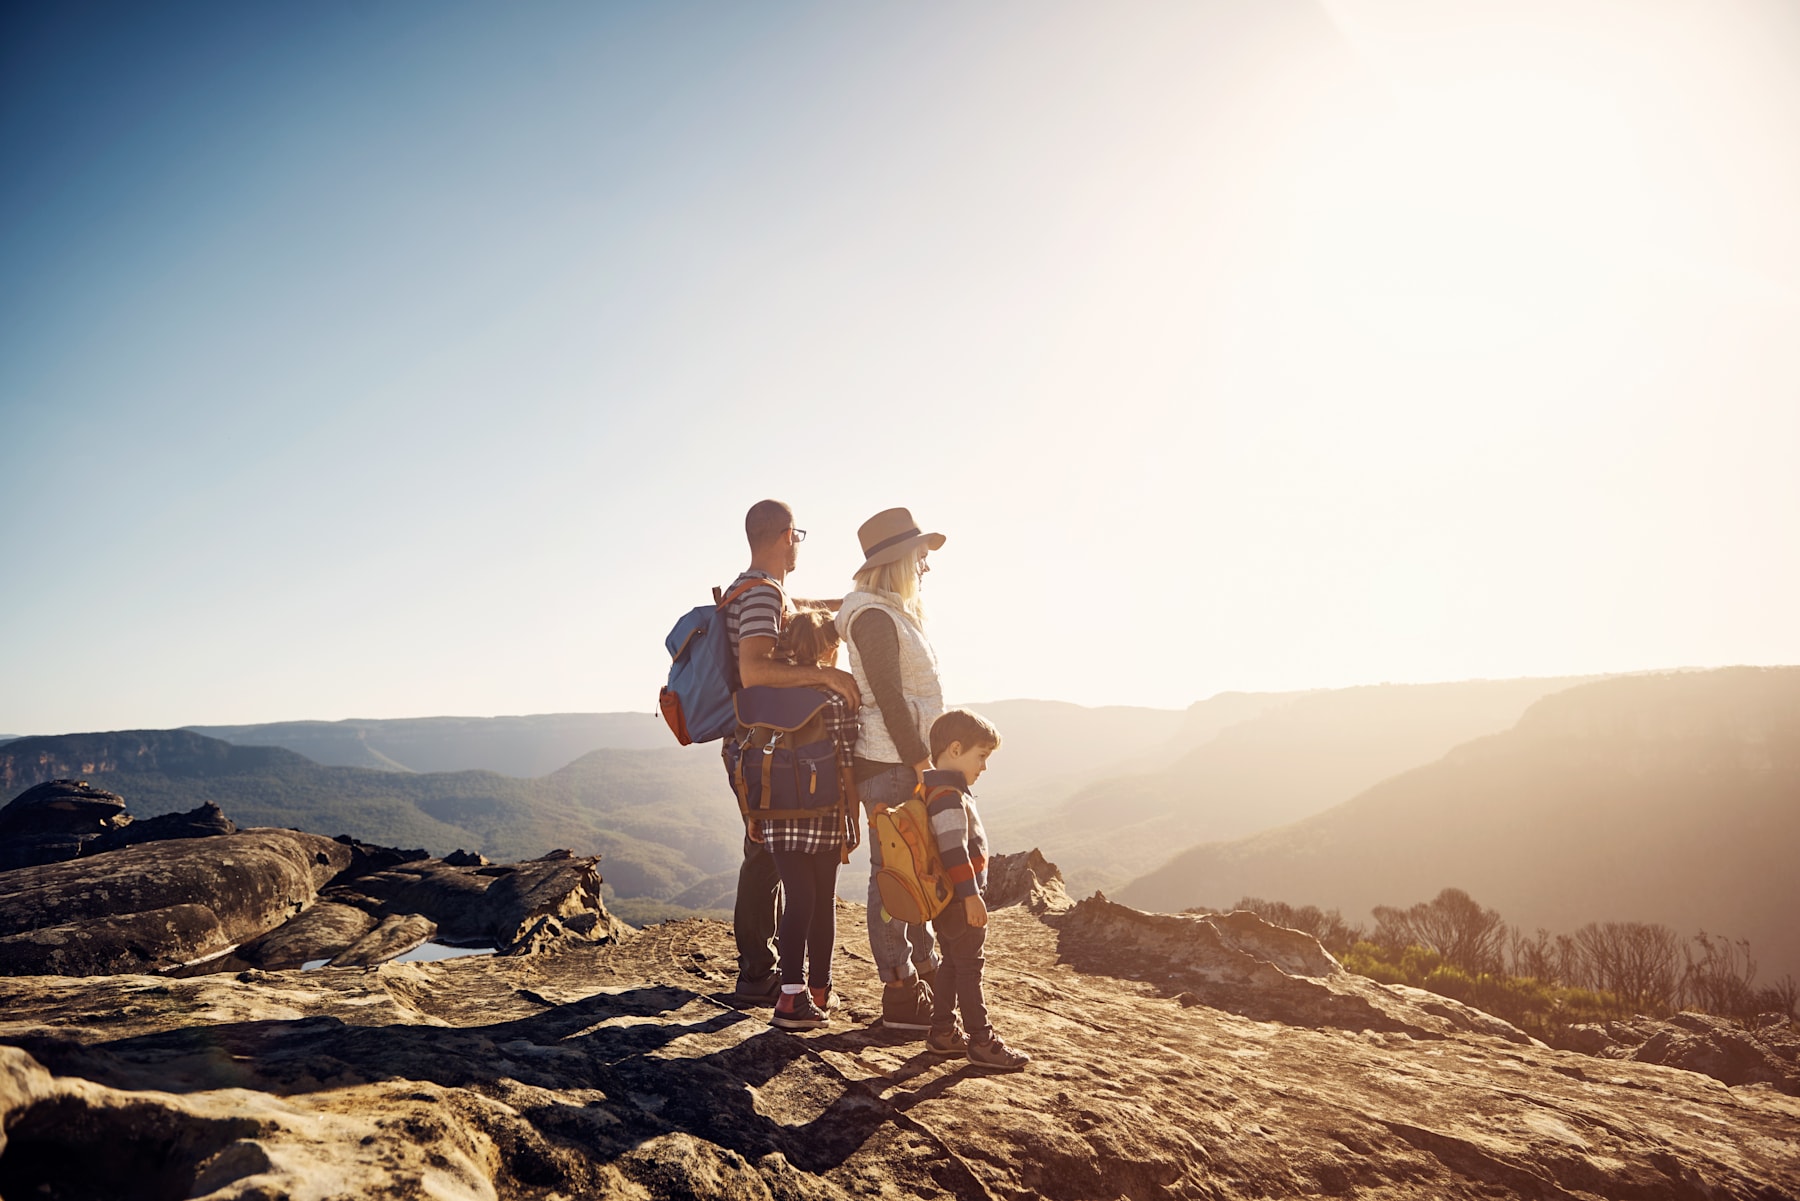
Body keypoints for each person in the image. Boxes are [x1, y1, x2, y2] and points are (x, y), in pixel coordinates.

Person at [725, 499, 860, 1003]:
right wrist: (825, 674)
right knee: (766, 857)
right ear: (786, 536)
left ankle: (771, 974)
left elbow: (788, 624)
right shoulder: (761, 595)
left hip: (764, 745)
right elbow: (755, 671)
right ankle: (762, 974)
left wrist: (851, 605)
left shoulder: (761, 590)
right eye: (798, 534)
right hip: (765, 749)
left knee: (768, 853)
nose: (798, 543)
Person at [836, 507, 946, 1031]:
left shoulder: (886, 611)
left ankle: (922, 973)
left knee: (912, 869)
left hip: (899, 761)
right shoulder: (875, 616)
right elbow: (889, 698)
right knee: (894, 876)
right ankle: (901, 992)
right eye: (920, 556)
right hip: (892, 763)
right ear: (898, 560)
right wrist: (922, 762)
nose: (925, 566)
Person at [755, 610, 859, 1029]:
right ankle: (802, 994)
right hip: (824, 815)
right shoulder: (835, 700)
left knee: (799, 898)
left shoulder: (766, 695)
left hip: (776, 815)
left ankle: (801, 992)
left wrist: (752, 812)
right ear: (829, 649)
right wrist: (853, 818)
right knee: (819, 903)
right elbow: (846, 764)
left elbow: (745, 753)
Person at [921, 708, 1029, 1070]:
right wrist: (971, 896)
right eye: (980, 756)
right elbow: (953, 850)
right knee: (970, 968)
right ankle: (981, 1041)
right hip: (958, 899)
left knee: (952, 963)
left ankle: (942, 1032)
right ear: (955, 749)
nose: (984, 766)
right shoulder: (948, 795)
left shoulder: (937, 788)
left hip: (947, 901)